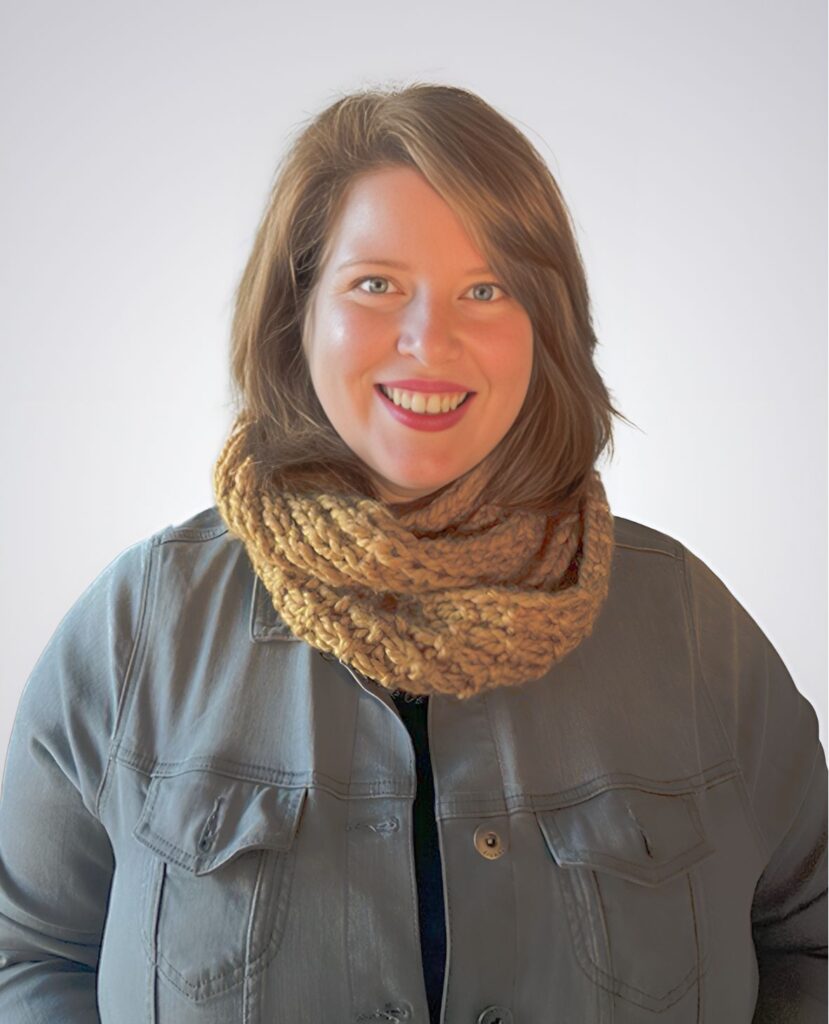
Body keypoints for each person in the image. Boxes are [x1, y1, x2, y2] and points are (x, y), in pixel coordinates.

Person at [0, 82, 825, 1023]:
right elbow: (28, 954)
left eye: (486, 288)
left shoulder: (688, 629)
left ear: (544, 326)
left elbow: (811, 940)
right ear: (296, 311)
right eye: (376, 285)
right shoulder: (136, 628)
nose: (430, 341)